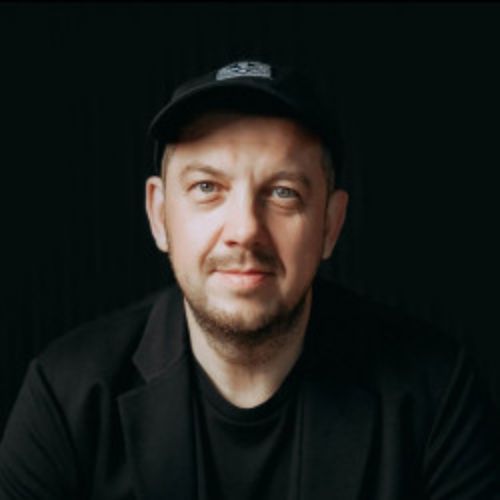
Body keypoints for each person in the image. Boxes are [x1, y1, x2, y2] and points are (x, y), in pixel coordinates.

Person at [0, 60, 499, 500]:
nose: (245, 229)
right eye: (206, 187)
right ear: (159, 215)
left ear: (330, 225)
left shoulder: (436, 394)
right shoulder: (65, 396)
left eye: (283, 192)